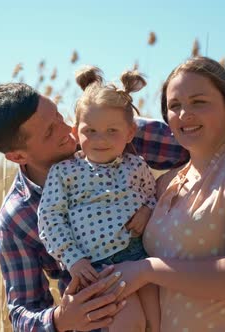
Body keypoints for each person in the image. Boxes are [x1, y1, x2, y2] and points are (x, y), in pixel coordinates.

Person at [0, 74, 225, 331]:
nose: (69, 130)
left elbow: (208, 137)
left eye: (58, 115)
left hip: (160, 295)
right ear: (17, 156)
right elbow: (21, 311)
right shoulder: (16, 218)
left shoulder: (108, 131)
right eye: (50, 131)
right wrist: (60, 320)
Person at [108, 56, 225, 331]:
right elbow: (95, 129)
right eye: (174, 106)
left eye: (199, 102)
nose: (184, 114)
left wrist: (147, 270)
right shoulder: (164, 183)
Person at [38, 66, 160, 331]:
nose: (100, 139)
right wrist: (73, 259)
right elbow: (50, 217)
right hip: (98, 265)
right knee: (131, 323)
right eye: (90, 131)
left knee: (157, 319)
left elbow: (152, 195)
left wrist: (147, 211)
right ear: (75, 131)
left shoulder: (135, 165)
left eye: (112, 131)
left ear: (129, 133)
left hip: (138, 255)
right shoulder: (65, 172)